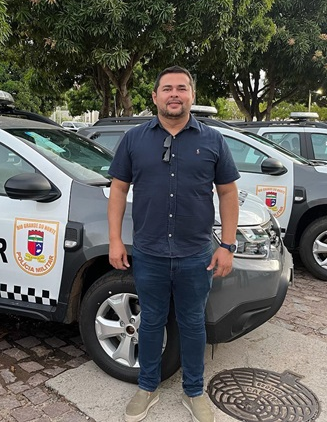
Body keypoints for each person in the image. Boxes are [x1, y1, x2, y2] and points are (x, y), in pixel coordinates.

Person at [108, 65, 239, 422]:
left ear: (192, 95)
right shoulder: (134, 139)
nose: (174, 94)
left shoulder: (213, 140)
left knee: (193, 324)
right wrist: (116, 240)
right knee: (150, 322)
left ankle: (194, 391)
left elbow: (228, 193)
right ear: (155, 96)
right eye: (167, 88)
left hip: (196, 255)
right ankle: (147, 387)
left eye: (182, 88)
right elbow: (118, 190)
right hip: (148, 252)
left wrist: (227, 245)